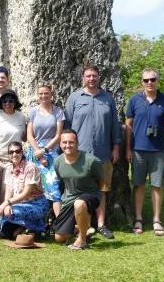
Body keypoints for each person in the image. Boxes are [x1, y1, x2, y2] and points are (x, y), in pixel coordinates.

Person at [64, 64, 121, 239]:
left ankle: (102, 224)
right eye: (88, 76)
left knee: (102, 189)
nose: (92, 79)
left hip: (103, 152)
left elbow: (114, 125)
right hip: (80, 154)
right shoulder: (74, 98)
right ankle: (86, 226)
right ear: (83, 77)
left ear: (99, 77)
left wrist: (116, 147)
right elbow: (67, 127)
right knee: (83, 190)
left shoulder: (108, 99)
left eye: (94, 75)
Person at [125, 68, 164, 236]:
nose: (149, 83)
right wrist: (127, 148)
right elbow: (129, 126)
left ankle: (156, 220)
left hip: (158, 151)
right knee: (138, 185)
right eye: (146, 80)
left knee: (157, 186)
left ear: (157, 80)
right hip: (138, 150)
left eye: (152, 79)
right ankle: (138, 219)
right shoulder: (134, 100)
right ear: (142, 82)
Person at [53, 129, 104, 250]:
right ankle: (83, 227)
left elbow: (102, 182)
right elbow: (62, 182)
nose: (67, 145)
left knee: (79, 203)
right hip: (69, 199)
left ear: (77, 143)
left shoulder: (91, 161)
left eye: (71, 142)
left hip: (90, 195)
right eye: (64, 142)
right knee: (59, 237)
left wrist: (92, 198)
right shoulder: (57, 162)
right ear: (60, 144)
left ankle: (82, 240)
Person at [25, 84, 64, 216]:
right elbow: (29, 135)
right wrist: (38, 152)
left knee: (54, 187)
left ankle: (61, 223)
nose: (43, 96)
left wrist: (45, 150)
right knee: (35, 188)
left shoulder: (58, 112)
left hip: (51, 151)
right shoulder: (33, 112)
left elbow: (59, 135)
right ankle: (38, 221)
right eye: (41, 94)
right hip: (34, 152)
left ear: (51, 94)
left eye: (46, 93)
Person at [0, 142, 48, 238]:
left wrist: (6, 203)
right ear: (8, 154)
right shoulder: (8, 169)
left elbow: (26, 194)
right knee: (5, 231)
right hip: (19, 205)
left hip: (36, 204)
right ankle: (26, 227)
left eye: (17, 151)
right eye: (11, 152)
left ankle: (38, 225)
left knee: (13, 213)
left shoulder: (30, 167)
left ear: (22, 152)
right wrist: (7, 205)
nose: (14, 154)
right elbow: (8, 191)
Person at [0, 89, 27, 211]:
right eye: (5, 100)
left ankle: (8, 218)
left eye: (11, 100)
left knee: (8, 190)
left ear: (15, 102)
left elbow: (24, 137)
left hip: (14, 160)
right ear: (1, 102)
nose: (8, 103)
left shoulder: (21, 117)